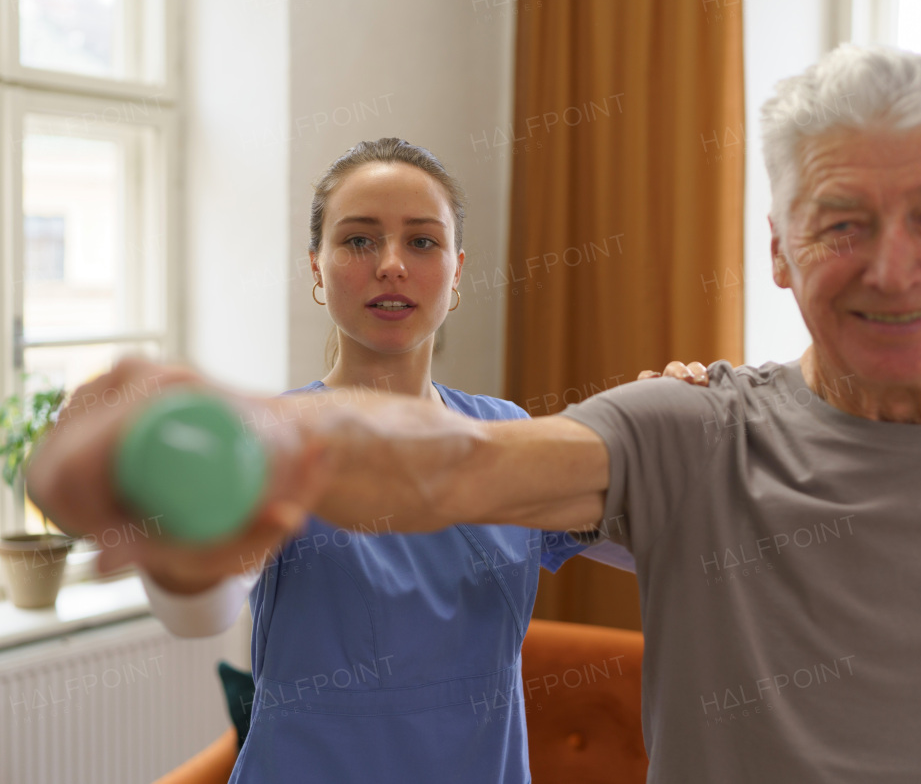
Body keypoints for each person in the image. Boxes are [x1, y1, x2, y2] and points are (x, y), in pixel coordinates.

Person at [29, 45, 921, 783]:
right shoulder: (663, 432)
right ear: (775, 246)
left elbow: (482, 456)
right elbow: (438, 470)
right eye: (838, 221)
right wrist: (248, 447)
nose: (889, 265)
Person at [134, 138, 705, 783]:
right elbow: (201, 608)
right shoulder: (274, 438)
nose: (391, 266)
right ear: (316, 269)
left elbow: (676, 550)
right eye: (358, 241)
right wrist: (178, 535)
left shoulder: (508, 433)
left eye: (422, 242)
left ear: (458, 271)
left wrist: (676, 440)